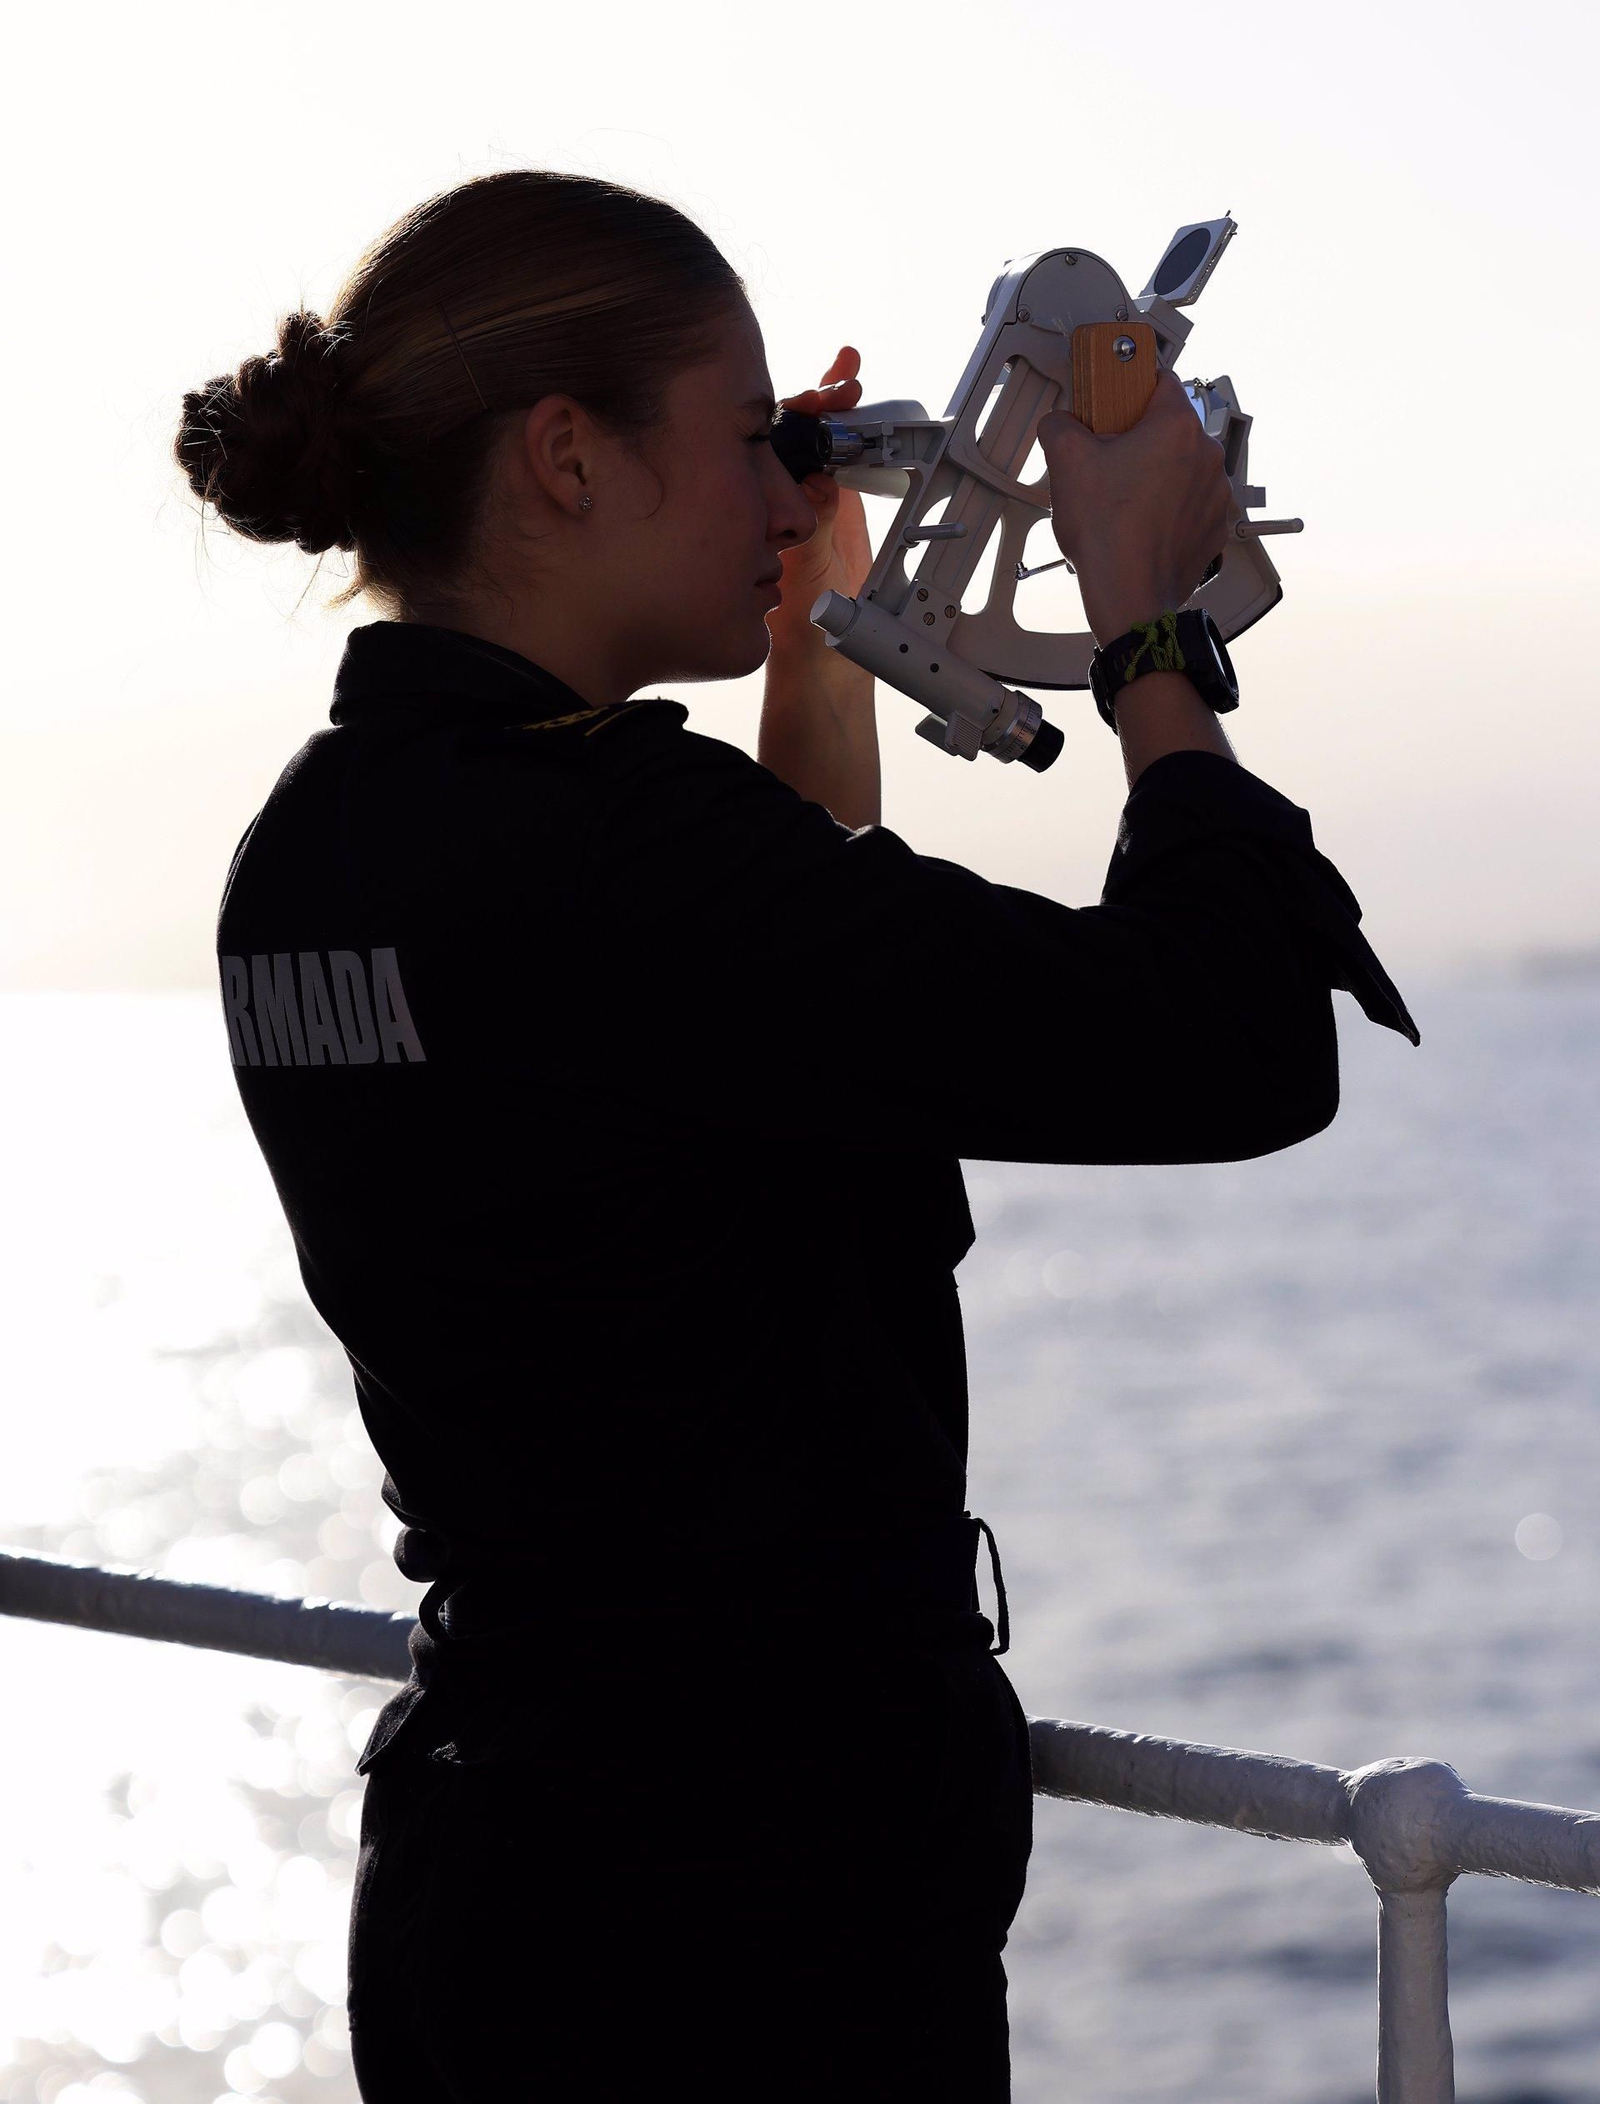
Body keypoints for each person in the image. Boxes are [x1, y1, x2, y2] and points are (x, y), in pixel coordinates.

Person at [174, 169, 1418, 2102]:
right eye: (757, 435)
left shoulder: (316, 849)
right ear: (569, 458)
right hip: (751, 1934)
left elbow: (754, 1021)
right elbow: (1229, 1048)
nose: (787, 481)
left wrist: (815, 638)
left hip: (500, 1884)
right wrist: (1150, 634)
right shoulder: (618, 860)